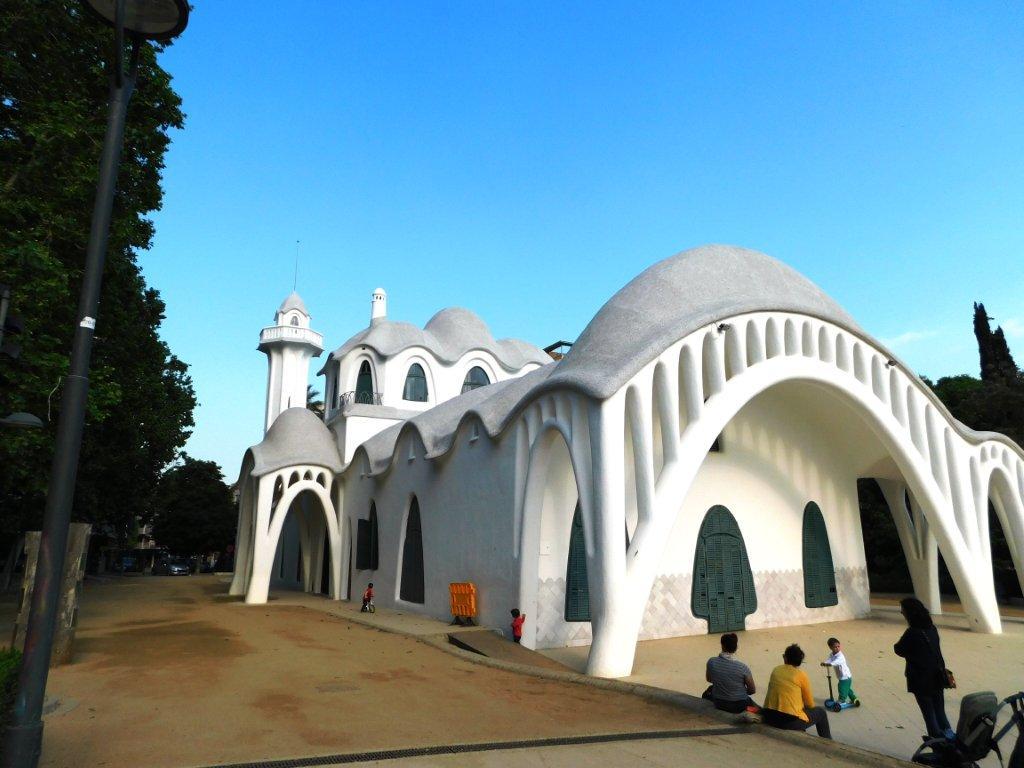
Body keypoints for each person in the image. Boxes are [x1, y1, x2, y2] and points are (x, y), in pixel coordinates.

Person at [894, 597, 955, 741]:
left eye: (903, 610)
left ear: (910, 612)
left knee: (929, 714)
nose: (902, 612)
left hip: (920, 679)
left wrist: (912, 654)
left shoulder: (912, 632)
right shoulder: (932, 629)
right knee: (940, 712)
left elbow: (899, 649)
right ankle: (950, 741)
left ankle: (937, 743)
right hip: (937, 676)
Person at [762, 643, 832, 739]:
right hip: (788, 722)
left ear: (785, 658)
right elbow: (809, 704)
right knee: (821, 713)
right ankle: (828, 741)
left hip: (769, 716)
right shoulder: (801, 675)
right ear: (800, 661)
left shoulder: (776, 670)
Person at [703, 632, 758, 713]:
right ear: (736, 648)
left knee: (709, 690)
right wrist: (737, 691)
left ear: (722, 645)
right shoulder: (743, 667)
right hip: (740, 705)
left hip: (719, 703)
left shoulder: (711, 662)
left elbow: (709, 679)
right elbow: (752, 690)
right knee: (758, 708)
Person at [820, 636, 859, 705]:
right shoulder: (832, 654)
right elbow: (830, 660)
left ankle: (842, 700)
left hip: (845, 676)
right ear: (830, 648)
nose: (837, 648)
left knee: (841, 687)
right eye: (835, 647)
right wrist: (825, 663)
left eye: (838, 646)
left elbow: (836, 662)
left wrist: (830, 664)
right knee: (847, 688)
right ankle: (854, 699)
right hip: (841, 676)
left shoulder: (841, 656)